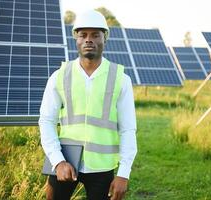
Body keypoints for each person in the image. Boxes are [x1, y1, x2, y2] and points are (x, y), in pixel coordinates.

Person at [39, 10, 137, 200]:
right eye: (83, 34)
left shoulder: (120, 79)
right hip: (65, 161)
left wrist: (123, 173)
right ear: (76, 39)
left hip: (102, 167)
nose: (88, 40)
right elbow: (46, 120)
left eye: (95, 35)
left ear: (105, 38)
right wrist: (58, 161)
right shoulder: (59, 76)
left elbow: (128, 129)